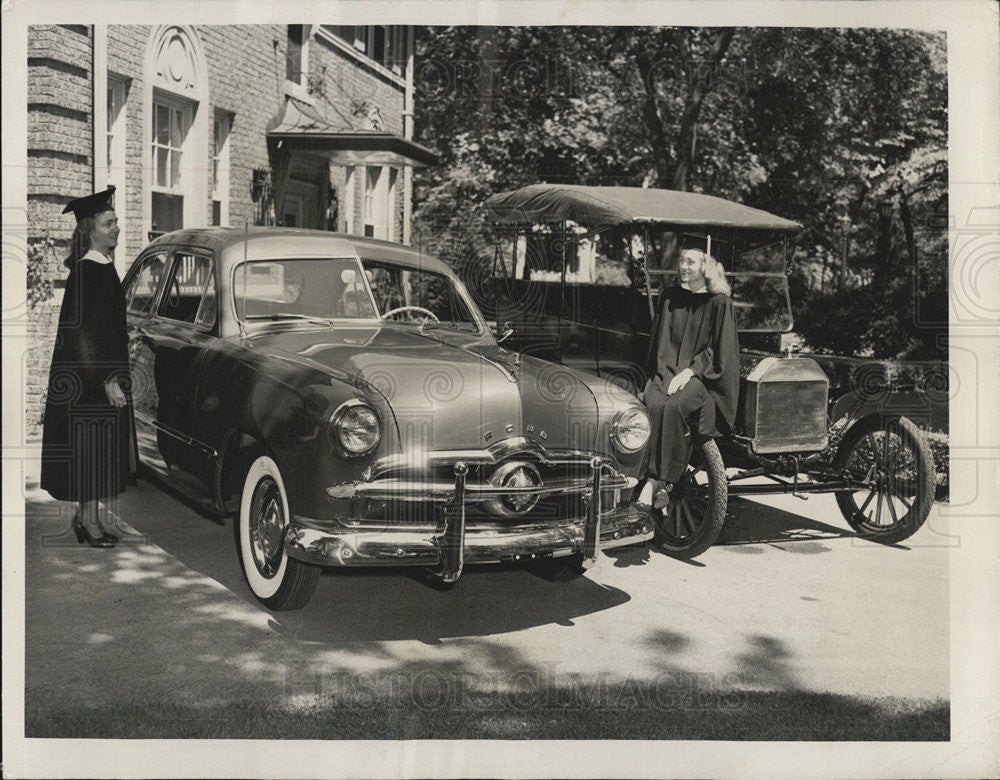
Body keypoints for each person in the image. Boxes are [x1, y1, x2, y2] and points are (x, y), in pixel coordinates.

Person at [40, 186, 137, 547]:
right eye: (109, 223)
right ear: (90, 230)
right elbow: (83, 337)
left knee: (97, 449)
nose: (116, 228)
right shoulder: (86, 273)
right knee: (91, 449)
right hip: (90, 379)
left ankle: (88, 518)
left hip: (100, 376)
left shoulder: (103, 268)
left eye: (116, 222)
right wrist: (107, 381)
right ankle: (89, 522)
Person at [636, 247, 739, 513]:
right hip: (667, 369)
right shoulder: (670, 298)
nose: (683, 265)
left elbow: (721, 350)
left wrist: (690, 371)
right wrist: (663, 372)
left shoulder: (719, 303)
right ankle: (655, 484)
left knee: (674, 406)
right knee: (653, 402)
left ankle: (658, 484)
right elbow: (659, 342)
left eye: (690, 261)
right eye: (681, 260)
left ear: (706, 266)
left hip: (704, 377)